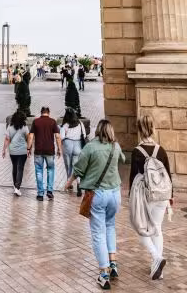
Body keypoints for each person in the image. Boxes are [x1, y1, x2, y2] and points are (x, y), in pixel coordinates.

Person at [65, 119, 125, 290]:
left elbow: (78, 169)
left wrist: (68, 182)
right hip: (115, 193)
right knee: (110, 226)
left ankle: (104, 274)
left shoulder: (90, 147)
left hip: (98, 195)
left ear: (98, 130)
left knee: (98, 233)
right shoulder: (115, 146)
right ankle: (113, 264)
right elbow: (122, 159)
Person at [129, 114, 172, 280]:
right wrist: (171, 197)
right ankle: (158, 270)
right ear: (153, 128)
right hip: (162, 195)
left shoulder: (137, 152)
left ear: (139, 130)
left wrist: (130, 198)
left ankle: (156, 258)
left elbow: (133, 177)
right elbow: (168, 175)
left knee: (141, 228)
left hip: (145, 196)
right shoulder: (161, 150)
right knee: (157, 229)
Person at [28, 106, 63, 201]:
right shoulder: (52, 122)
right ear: (48, 112)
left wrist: (28, 148)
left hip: (38, 150)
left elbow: (31, 136)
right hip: (50, 151)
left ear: (41, 112)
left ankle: (40, 194)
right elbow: (57, 136)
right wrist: (59, 149)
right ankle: (50, 191)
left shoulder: (36, 121)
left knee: (39, 171)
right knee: (50, 170)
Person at [1, 110, 30, 196]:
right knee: (20, 168)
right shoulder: (25, 127)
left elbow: (7, 139)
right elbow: (28, 138)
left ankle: (15, 185)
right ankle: (17, 187)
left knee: (15, 167)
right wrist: (29, 148)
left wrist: (4, 150)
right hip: (22, 151)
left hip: (12, 151)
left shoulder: (10, 127)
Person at [60, 108, 86, 195]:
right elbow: (84, 135)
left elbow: (62, 137)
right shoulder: (80, 123)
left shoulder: (65, 125)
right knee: (76, 166)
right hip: (78, 145)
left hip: (67, 145)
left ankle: (69, 183)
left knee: (68, 166)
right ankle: (79, 183)